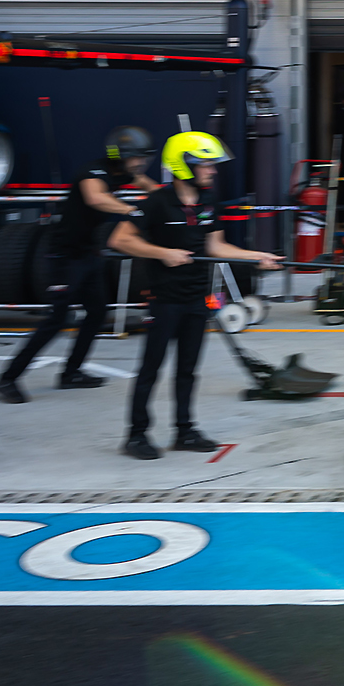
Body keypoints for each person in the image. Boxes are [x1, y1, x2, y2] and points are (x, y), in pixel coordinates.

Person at [109, 132, 282, 461]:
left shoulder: (207, 202)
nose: (212, 170)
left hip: (196, 298)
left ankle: (184, 431)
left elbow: (215, 246)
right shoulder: (157, 202)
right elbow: (120, 240)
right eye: (205, 164)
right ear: (183, 165)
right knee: (151, 368)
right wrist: (162, 253)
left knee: (187, 369)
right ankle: (136, 435)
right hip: (164, 299)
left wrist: (256, 256)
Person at [0, 126, 156, 403]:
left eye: (144, 157)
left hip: (89, 254)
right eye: (137, 157)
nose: (141, 163)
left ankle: (71, 373)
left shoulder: (126, 173)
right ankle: (7, 379)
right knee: (57, 319)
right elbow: (95, 197)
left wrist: (170, 201)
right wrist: (132, 209)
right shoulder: (92, 172)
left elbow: (149, 186)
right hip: (64, 257)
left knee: (97, 312)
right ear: (120, 155)